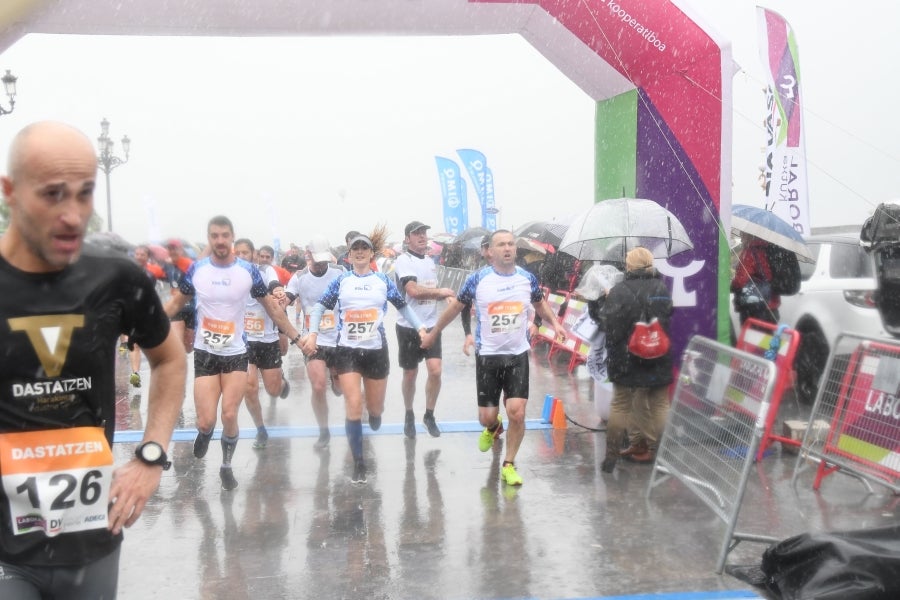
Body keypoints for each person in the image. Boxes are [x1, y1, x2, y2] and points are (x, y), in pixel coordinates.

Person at [0, 121, 186, 598]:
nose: (73, 215)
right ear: (10, 193)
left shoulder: (116, 279)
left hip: (92, 540)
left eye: (85, 193)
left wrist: (151, 456)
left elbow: (169, 361)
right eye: (53, 194)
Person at [165, 215, 302, 491]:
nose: (220, 241)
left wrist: (296, 336)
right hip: (206, 354)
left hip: (237, 354)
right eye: (214, 236)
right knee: (206, 420)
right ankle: (204, 433)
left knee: (229, 414)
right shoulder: (197, 270)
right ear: (209, 238)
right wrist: (145, 326)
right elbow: (176, 302)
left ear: (231, 236)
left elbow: (272, 308)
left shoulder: (248, 272)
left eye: (224, 235)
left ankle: (226, 465)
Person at [421, 229, 567, 487]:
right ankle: (493, 427)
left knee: (517, 412)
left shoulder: (527, 279)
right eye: (501, 244)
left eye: (511, 244)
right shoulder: (478, 279)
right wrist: (434, 333)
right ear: (490, 251)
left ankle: (509, 464)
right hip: (488, 356)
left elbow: (539, 303)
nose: (508, 248)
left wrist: (554, 323)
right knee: (486, 417)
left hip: (517, 355)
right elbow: (456, 307)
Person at [300, 228, 426, 484]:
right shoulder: (341, 281)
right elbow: (319, 308)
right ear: (349, 254)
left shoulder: (382, 281)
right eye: (355, 249)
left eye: (364, 249)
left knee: (375, 410)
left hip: (376, 351)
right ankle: (358, 462)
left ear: (371, 254)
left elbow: (402, 307)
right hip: (347, 351)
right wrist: (312, 334)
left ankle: (376, 414)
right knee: (354, 405)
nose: (359, 252)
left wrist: (421, 328)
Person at [600, 247, 674, 473]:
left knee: (621, 404)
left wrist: (607, 301)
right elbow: (667, 317)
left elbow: (609, 328)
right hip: (657, 355)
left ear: (629, 265)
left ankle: (611, 457)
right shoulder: (661, 288)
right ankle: (661, 453)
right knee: (660, 404)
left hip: (626, 357)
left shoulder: (619, 291)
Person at [394, 221, 457, 438]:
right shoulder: (403, 260)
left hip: (431, 325)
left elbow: (433, 288)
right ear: (407, 239)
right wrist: (441, 292)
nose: (422, 236)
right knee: (410, 374)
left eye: (424, 233)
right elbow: (412, 291)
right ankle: (409, 413)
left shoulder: (430, 262)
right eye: (416, 234)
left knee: (435, 371)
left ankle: (429, 415)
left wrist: (447, 296)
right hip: (408, 327)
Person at [285, 236, 345, 450]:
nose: (321, 265)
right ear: (308, 255)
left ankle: (335, 375)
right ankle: (323, 431)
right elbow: (287, 298)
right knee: (318, 386)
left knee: (339, 389)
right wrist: (280, 299)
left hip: (338, 339)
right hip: (313, 340)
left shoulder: (339, 272)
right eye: (316, 260)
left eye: (324, 260)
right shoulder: (299, 277)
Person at [234, 238, 291, 450]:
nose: (241, 258)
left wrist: (277, 291)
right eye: (237, 253)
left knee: (273, 390)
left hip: (267, 340)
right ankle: (260, 429)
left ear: (254, 255)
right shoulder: (229, 275)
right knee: (249, 388)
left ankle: (282, 383)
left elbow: (275, 285)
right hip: (243, 341)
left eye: (245, 253)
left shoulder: (265, 271)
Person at [127, 244, 169, 388]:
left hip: (148, 313)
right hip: (131, 312)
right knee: (134, 344)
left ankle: (158, 373)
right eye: (137, 254)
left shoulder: (154, 271)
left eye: (142, 255)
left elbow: (168, 277)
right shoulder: (127, 269)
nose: (139, 257)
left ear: (147, 257)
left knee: (154, 345)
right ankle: (135, 373)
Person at [731, 232, 779, 325]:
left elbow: (741, 280)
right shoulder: (772, 250)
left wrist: (732, 286)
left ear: (750, 235)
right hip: (772, 306)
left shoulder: (750, 253)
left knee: (752, 338)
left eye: (743, 235)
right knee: (768, 339)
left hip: (755, 309)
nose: (741, 239)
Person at [165, 237, 197, 353]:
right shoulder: (168, 265)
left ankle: (181, 358)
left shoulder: (188, 264)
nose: (172, 251)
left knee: (188, 347)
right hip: (177, 308)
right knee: (176, 344)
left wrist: (182, 290)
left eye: (175, 249)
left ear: (181, 250)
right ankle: (178, 367)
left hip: (191, 308)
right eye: (170, 249)